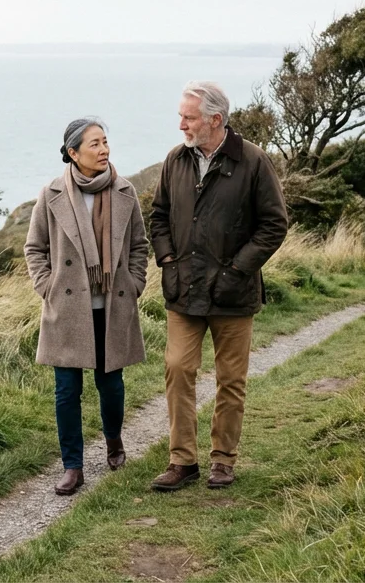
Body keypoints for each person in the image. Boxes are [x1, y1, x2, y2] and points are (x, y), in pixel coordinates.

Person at [147, 81, 289, 491]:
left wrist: (236, 271)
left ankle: (223, 462)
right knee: (177, 369)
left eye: (188, 118)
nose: (181, 126)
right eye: (181, 117)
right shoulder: (176, 160)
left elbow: (274, 224)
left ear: (215, 119)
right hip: (184, 290)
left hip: (233, 293)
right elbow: (159, 216)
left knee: (231, 379)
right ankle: (182, 461)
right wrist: (168, 261)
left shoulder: (253, 161)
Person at [24, 117, 149, 496]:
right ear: (73, 153)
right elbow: (35, 248)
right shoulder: (52, 194)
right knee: (66, 390)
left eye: (105, 141)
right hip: (67, 308)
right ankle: (73, 466)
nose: (103, 149)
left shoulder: (125, 191)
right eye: (94, 144)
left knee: (110, 385)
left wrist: (135, 283)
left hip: (112, 305)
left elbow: (140, 246)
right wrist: (48, 287)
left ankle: (113, 441)